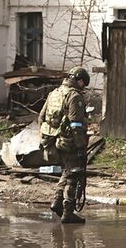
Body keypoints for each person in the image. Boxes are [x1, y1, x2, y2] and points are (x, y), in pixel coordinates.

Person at [39, 66, 91, 224]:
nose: (83, 87)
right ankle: (68, 211)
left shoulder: (54, 93)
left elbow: (41, 117)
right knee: (74, 173)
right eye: (83, 84)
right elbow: (75, 125)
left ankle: (57, 202)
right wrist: (81, 147)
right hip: (67, 142)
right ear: (80, 81)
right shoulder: (74, 96)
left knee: (67, 171)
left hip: (51, 141)